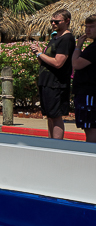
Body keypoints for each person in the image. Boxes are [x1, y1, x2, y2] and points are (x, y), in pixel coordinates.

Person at [30, 9, 75, 139]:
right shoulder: (55, 37)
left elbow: (57, 63)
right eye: (51, 21)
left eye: (56, 21)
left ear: (67, 21)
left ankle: (57, 145)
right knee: (49, 116)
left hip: (57, 83)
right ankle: (51, 143)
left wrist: (40, 54)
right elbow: (44, 62)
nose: (53, 24)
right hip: (46, 82)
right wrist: (38, 53)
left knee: (56, 116)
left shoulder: (67, 39)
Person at [71, 14, 96, 143]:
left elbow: (76, 64)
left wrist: (78, 47)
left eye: (92, 27)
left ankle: (91, 155)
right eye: (86, 27)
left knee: (91, 126)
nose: (87, 30)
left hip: (89, 92)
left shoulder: (94, 48)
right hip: (87, 91)